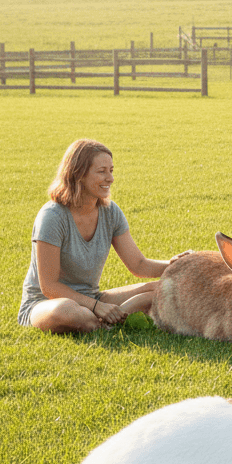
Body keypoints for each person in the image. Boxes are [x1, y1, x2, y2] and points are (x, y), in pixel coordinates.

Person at [18, 139, 177, 333]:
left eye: (111, 170)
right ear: (78, 174)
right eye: (102, 171)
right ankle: (104, 320)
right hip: (47, 304)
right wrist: (96, 308)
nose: (110, 178)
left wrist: (176, 265)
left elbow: (138, 264)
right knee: (70, 312)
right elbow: (50, 287)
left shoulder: (110, 212)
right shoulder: (52, 216)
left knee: (160, 290)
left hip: (93, 298)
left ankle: (102, 322)